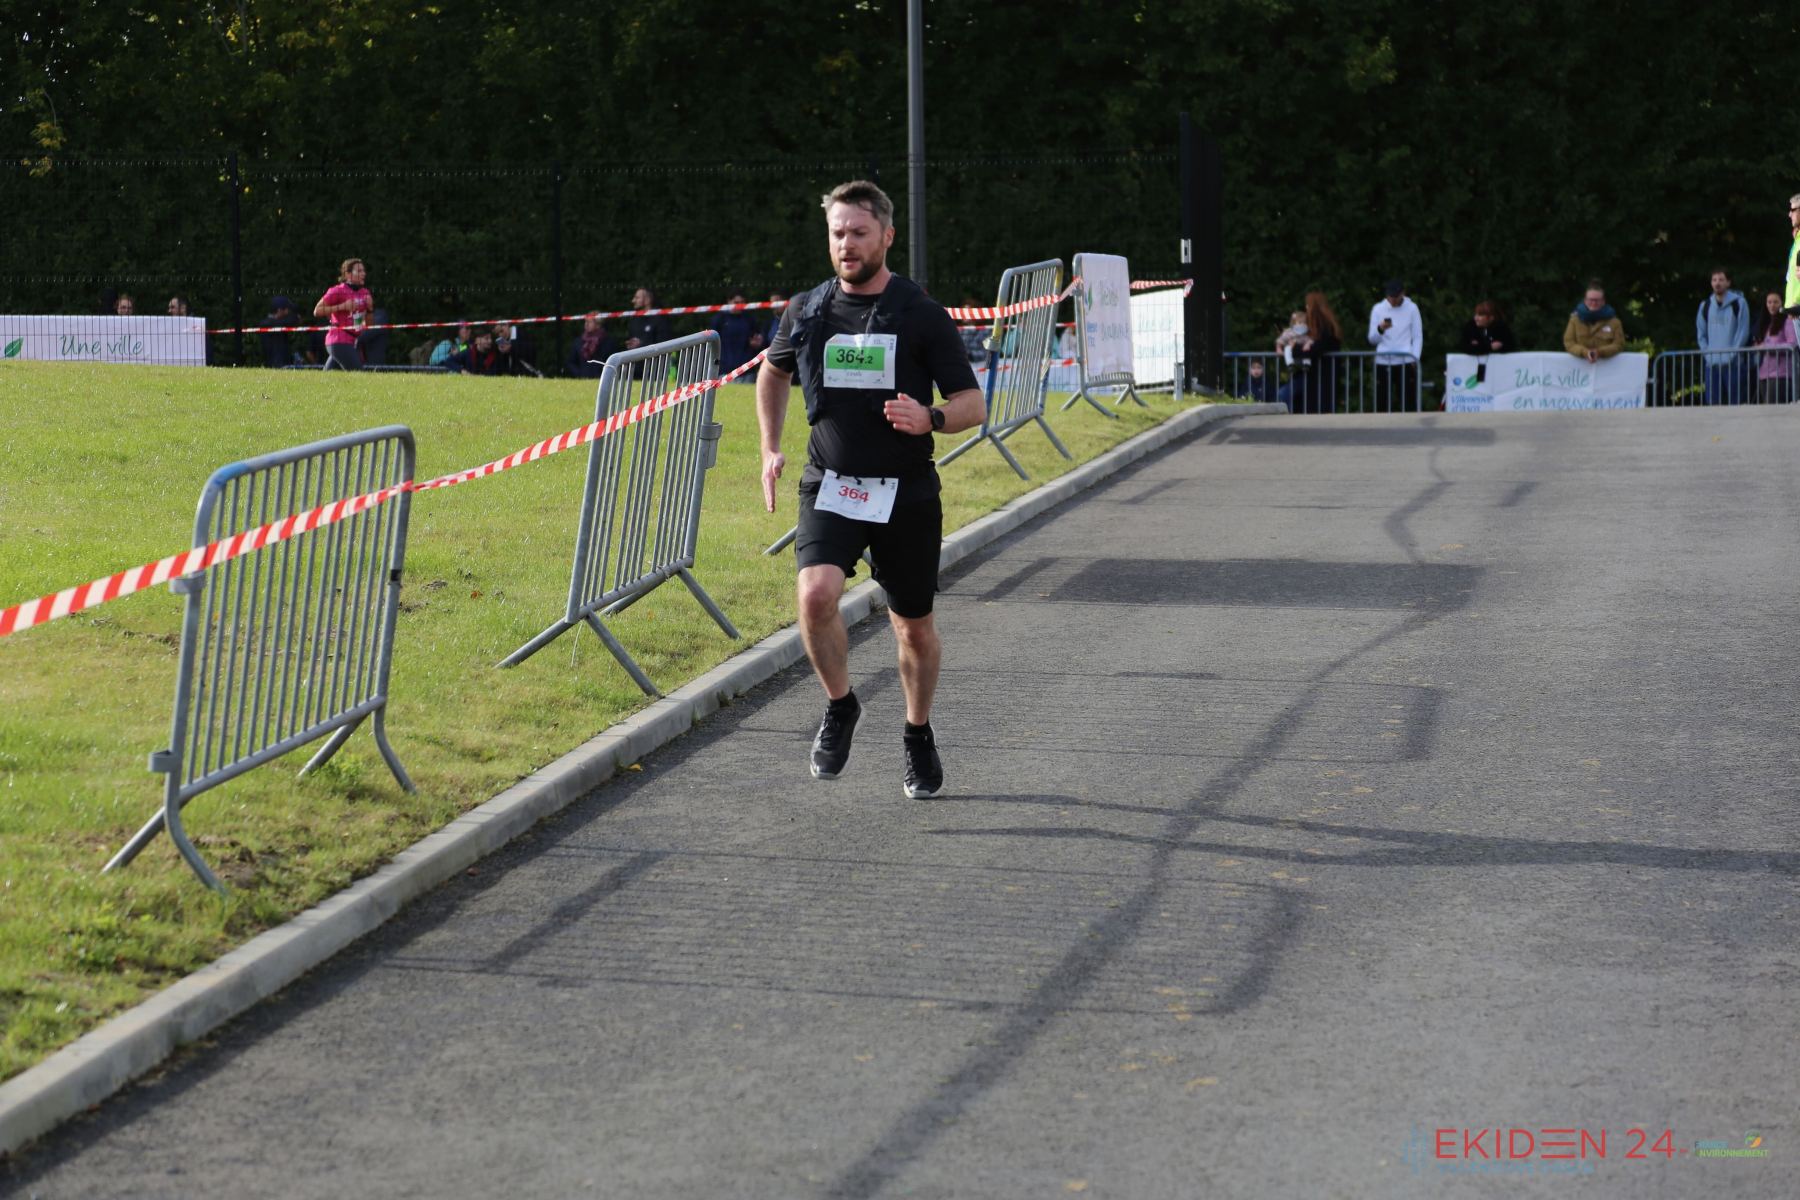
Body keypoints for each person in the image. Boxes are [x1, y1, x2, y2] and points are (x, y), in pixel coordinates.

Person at [755, 179, 984, 799]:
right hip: (831, 483)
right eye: (837, 233)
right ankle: (841, 705)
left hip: (905, 492)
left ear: (886, 236)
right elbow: (772, 374)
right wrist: (770, 447)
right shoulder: (807, 310)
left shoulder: (921, 314)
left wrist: (931, 417)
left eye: (858, 233)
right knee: (815, 596)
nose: (846, 244)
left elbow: (972, 403)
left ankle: (917, 732)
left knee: (912, 628)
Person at [1278, 291, 1342, 413]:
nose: (1306, 308)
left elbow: (1316, 349)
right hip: (1316, 375)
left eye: (1308, 305)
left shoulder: (1324, 327)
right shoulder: (1322, 326)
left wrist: (1295, 348)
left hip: (1321, 376)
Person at [1695, 268, 1750, 405]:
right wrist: (1707, 354)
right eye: (1714, 280)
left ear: (1728, 283)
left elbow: (1742, 331)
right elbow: (1701, 333)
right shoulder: (1705, 306)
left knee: (1736, 404)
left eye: (1721, 279)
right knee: (1713, 405)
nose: (1717, 283)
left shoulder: (1739, 303)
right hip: (1712, 363)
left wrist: (1732, 353)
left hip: (1734, 363)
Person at [1367, 278, 1423, 411]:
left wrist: (1415, 358)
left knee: (1408, 402)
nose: (1392, 300)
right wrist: (1380, 329)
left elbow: (1417, 336)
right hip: (1383, 361)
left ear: (1402, 293)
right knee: (1382, 402)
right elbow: (1372, 339)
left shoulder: (1412, 308)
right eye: (1390, 296)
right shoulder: (1378, 309)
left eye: (1396, 297)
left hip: (1406, 361)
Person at [313, 257, 373, 371]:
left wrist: (370, 309)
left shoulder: (365, 292)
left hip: (352, 341)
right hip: (339, 340)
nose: (363, 274)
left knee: (328, 378)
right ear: (348, 275)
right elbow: (317, 311)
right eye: (359, 271)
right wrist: (342, 306)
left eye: (364, 271)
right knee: (358, 374)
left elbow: (368, 325)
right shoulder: (337, 290)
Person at [1562, 281, 1625, 363]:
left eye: (1597, 300)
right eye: (1591, 300)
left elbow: (1619, 345)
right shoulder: (1574, 320)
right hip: (1579, 366)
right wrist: (1585, 352)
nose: (1594, 303)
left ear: (1603, 301)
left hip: (1607, 366)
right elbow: (1569, 343)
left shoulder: (1614, 322)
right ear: (1585, 300)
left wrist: (1599, 352)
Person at [1753, 290, 1796, 404]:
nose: (1772, 305)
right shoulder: (1767, 323)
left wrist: (1767, 347)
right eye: (1769, 302)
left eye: (1775, 302)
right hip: (1764, 373)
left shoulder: (1787, 321)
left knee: (1773, 407)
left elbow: (1792, 344)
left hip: (1780, 373)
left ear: (1782, 303)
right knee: (1767, 407)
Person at [711, 290, 759, 374]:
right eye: (736, 302)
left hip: (746, 370)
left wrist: (757, 344)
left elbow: (757, 339)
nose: (739, 305)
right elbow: (713, 343)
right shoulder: (719, 319)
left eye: (742, 302)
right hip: (724, 370)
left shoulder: (749, 319)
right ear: (729, 302)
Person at [623, 287, 672, 352]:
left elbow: (664, 344)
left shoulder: (660, 319)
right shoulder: (635, 319)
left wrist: (641, 345)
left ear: (647, 300)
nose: (633, 301)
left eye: (637, 298)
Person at [260, 295, 302, 368]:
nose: (288, 312)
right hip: (276, 363)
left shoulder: (270, 323)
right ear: (279, 310)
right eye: (287, 309)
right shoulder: (268, 323)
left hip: (280, 362)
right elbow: (293, 320)